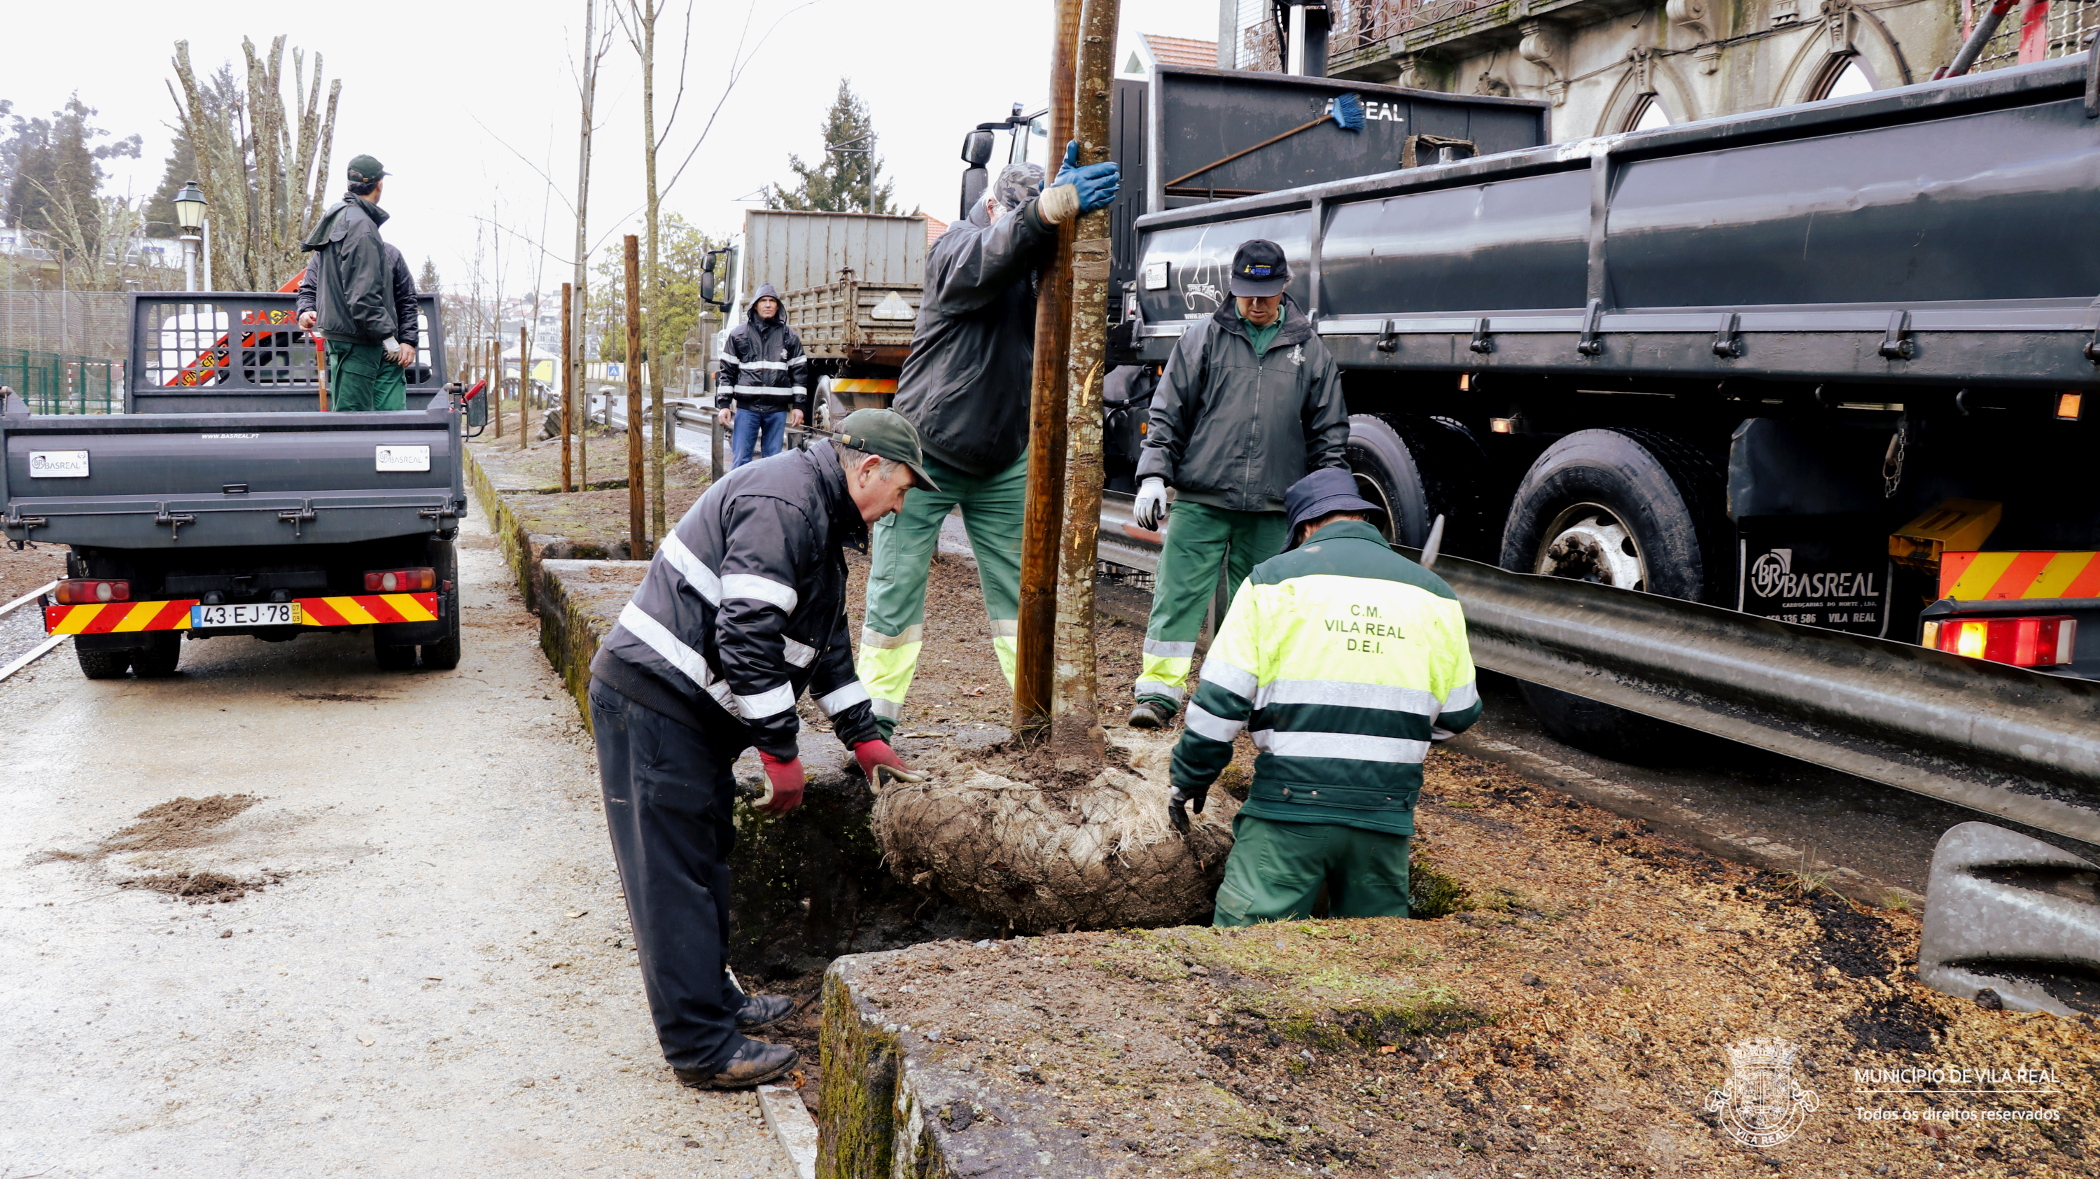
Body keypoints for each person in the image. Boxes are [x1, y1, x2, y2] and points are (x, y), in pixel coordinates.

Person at [586, 408, 929, 1089]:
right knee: (674, 878)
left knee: (706, 858)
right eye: (900, 490)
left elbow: (823, 644)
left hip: (687, 715)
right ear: (868, 469)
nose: (898, 507)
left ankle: (715, 998)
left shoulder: (815, 517)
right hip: (655, 704)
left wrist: (863, 736)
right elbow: (746, 635)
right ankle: (701, 1047)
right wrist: (780, 751)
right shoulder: (785, 505)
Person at [857, 145, 1120, 735]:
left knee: (1022, 596)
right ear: (994, 206)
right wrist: (1044, 212)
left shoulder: (1033, 255)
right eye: (1019, 214)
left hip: (1002, 458)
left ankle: (1038, 720)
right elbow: (989, 255)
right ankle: (873, 729)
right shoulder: (955, 246)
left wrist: (1069, 221)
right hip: (924, 454)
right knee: (896, 590)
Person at [1164, 467, 1481, 925]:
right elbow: (1459, 713)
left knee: (1246, 949)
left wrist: (1191, 778)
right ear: (1361, 518)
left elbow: (1220, 704)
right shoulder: (1436, 595)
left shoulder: (1271, 582)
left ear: (1306, 527)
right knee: (1376, 950)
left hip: (1288, 809)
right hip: (1384, 816)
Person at [1126, 239, 1351, 730]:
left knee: (1258, 611)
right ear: (1233, 287)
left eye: (1266, 294)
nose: (1256, 303)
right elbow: (1168, 412)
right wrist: (1154, 475)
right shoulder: (1203, 339)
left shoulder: (1310, 352)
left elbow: (1329, 436)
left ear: (1285, 286)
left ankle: (1232, 699)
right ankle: (1158, 693)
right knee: (1178, 597)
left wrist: (1331, 506)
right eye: (1247, 292)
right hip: (1202, 498)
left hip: (1273, 506)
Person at [297, 154, 411, 411]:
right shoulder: (362, 226)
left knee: (352, 414)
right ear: (379, 184)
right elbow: (363, 296)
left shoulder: (338, 219)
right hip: (359, 338)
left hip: (345, 335)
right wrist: (387, 336)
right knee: (354, 417)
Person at [297, 241, 421, 384]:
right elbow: (309, 290)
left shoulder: (391, 254)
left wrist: (408, 341)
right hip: (347, 349)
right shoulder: (324, 254)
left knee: (391, 398)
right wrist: (306, 310)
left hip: (389, 351)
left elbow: (406, 299)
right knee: (350, 398)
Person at [715, 283, 809, 468]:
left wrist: (799, 406)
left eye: (772, 301)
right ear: (755, 305)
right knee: (741, 461)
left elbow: (799, 373)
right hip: (747, 410)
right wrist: (724, 405)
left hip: (777, 411)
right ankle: (740, 489)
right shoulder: (739, 335)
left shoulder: (789, 336)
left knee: (772, 464)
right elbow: (727, 372)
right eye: (763, 301)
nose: (767, 304)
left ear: (777, 306)